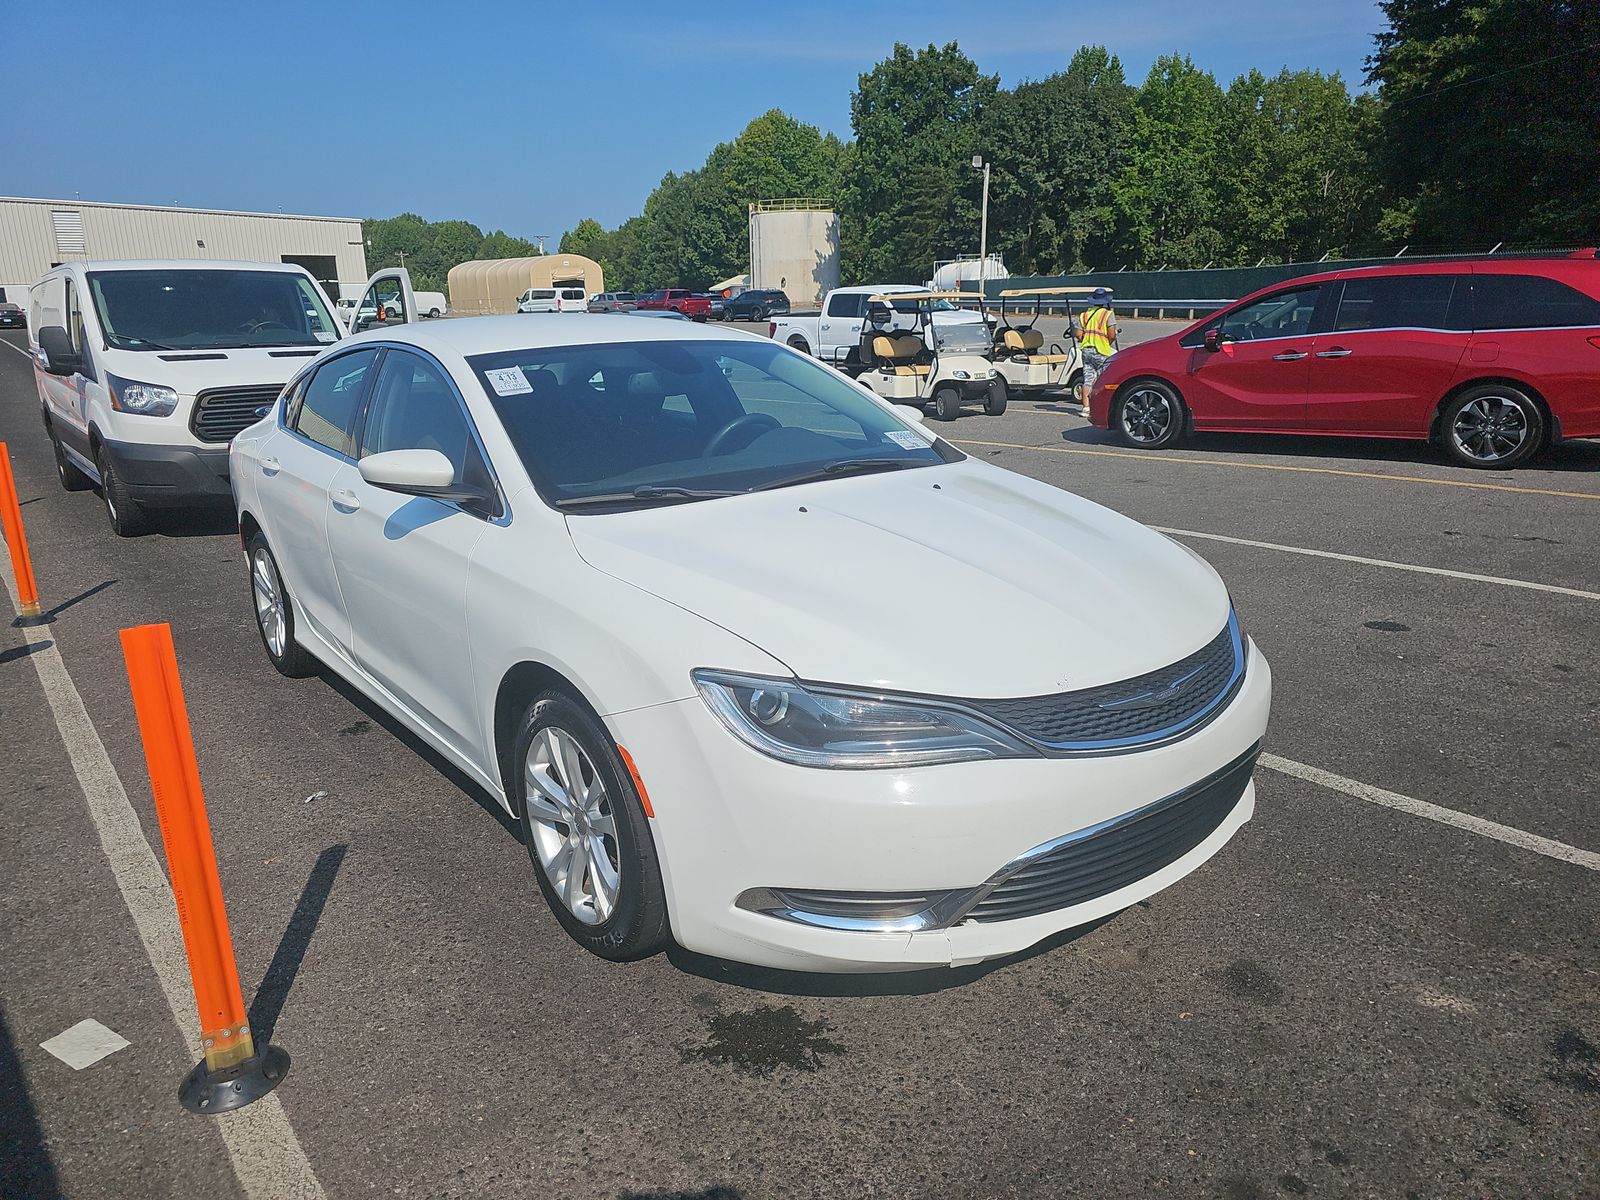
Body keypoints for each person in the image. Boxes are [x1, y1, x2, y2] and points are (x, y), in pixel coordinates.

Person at [1074, 287, 1118, 407]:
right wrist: (1107, 342)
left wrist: (1086, 339)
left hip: (1086, 350)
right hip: (1102, 350)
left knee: (1088, 378)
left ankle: (1086, 407)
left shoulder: (1084, 315)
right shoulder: (1108, 314)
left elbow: (1078, 334)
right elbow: (1112, 334)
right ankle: (1101, 405)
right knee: (1102, 378)